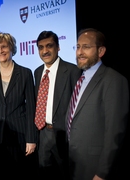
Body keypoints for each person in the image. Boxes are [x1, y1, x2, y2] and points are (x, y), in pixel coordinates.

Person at [67, 28, 129, 180]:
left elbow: (115, 132)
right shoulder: (78, 78)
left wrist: (102, 172)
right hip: (74, 163)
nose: (80, 52)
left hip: (94, 168)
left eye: (86, 47)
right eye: (78, 47)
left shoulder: (113, 80)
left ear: (101, 51)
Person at [0, 32, 38, 179]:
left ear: (12, 48)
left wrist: (31, 138)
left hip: (19, 135)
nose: (0, 51)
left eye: (4, 46)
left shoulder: (25, 73)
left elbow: (31, 108)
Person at [34, 31, 81, 180]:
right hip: (42, 133)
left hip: (64, 136)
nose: (45, 51)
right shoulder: (37, 72)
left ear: (58, 47)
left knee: (65, 174)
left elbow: (79, 108)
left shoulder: (73, 71)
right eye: (41, 47)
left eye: (49, 46)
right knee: (44, 174)